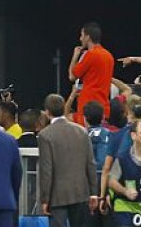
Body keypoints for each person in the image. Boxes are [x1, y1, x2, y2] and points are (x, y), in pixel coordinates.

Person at [36, 93, 97, 226]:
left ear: (47, 112)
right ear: (64, 108)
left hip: (57, 197)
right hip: (81, 193)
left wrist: (45, 199)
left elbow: (46, 169)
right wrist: (93, 193)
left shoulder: (45, 135)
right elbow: (90, 164)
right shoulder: (82, 131)